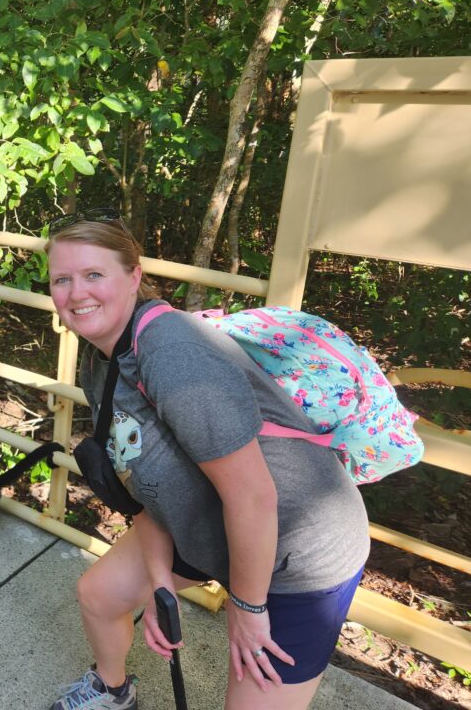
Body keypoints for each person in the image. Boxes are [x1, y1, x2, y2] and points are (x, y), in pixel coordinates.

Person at [44, 209, 370, 710]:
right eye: (62, 279)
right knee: (99, 595)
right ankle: (112, 691)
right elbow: (141, 493)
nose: (76, 293)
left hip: (297, 549)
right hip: (211, 521)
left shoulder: (173, 355)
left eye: (93, 274)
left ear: (133, 277)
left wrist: (246, 606)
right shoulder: (99, 362)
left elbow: (253, 496)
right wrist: (161, 585)